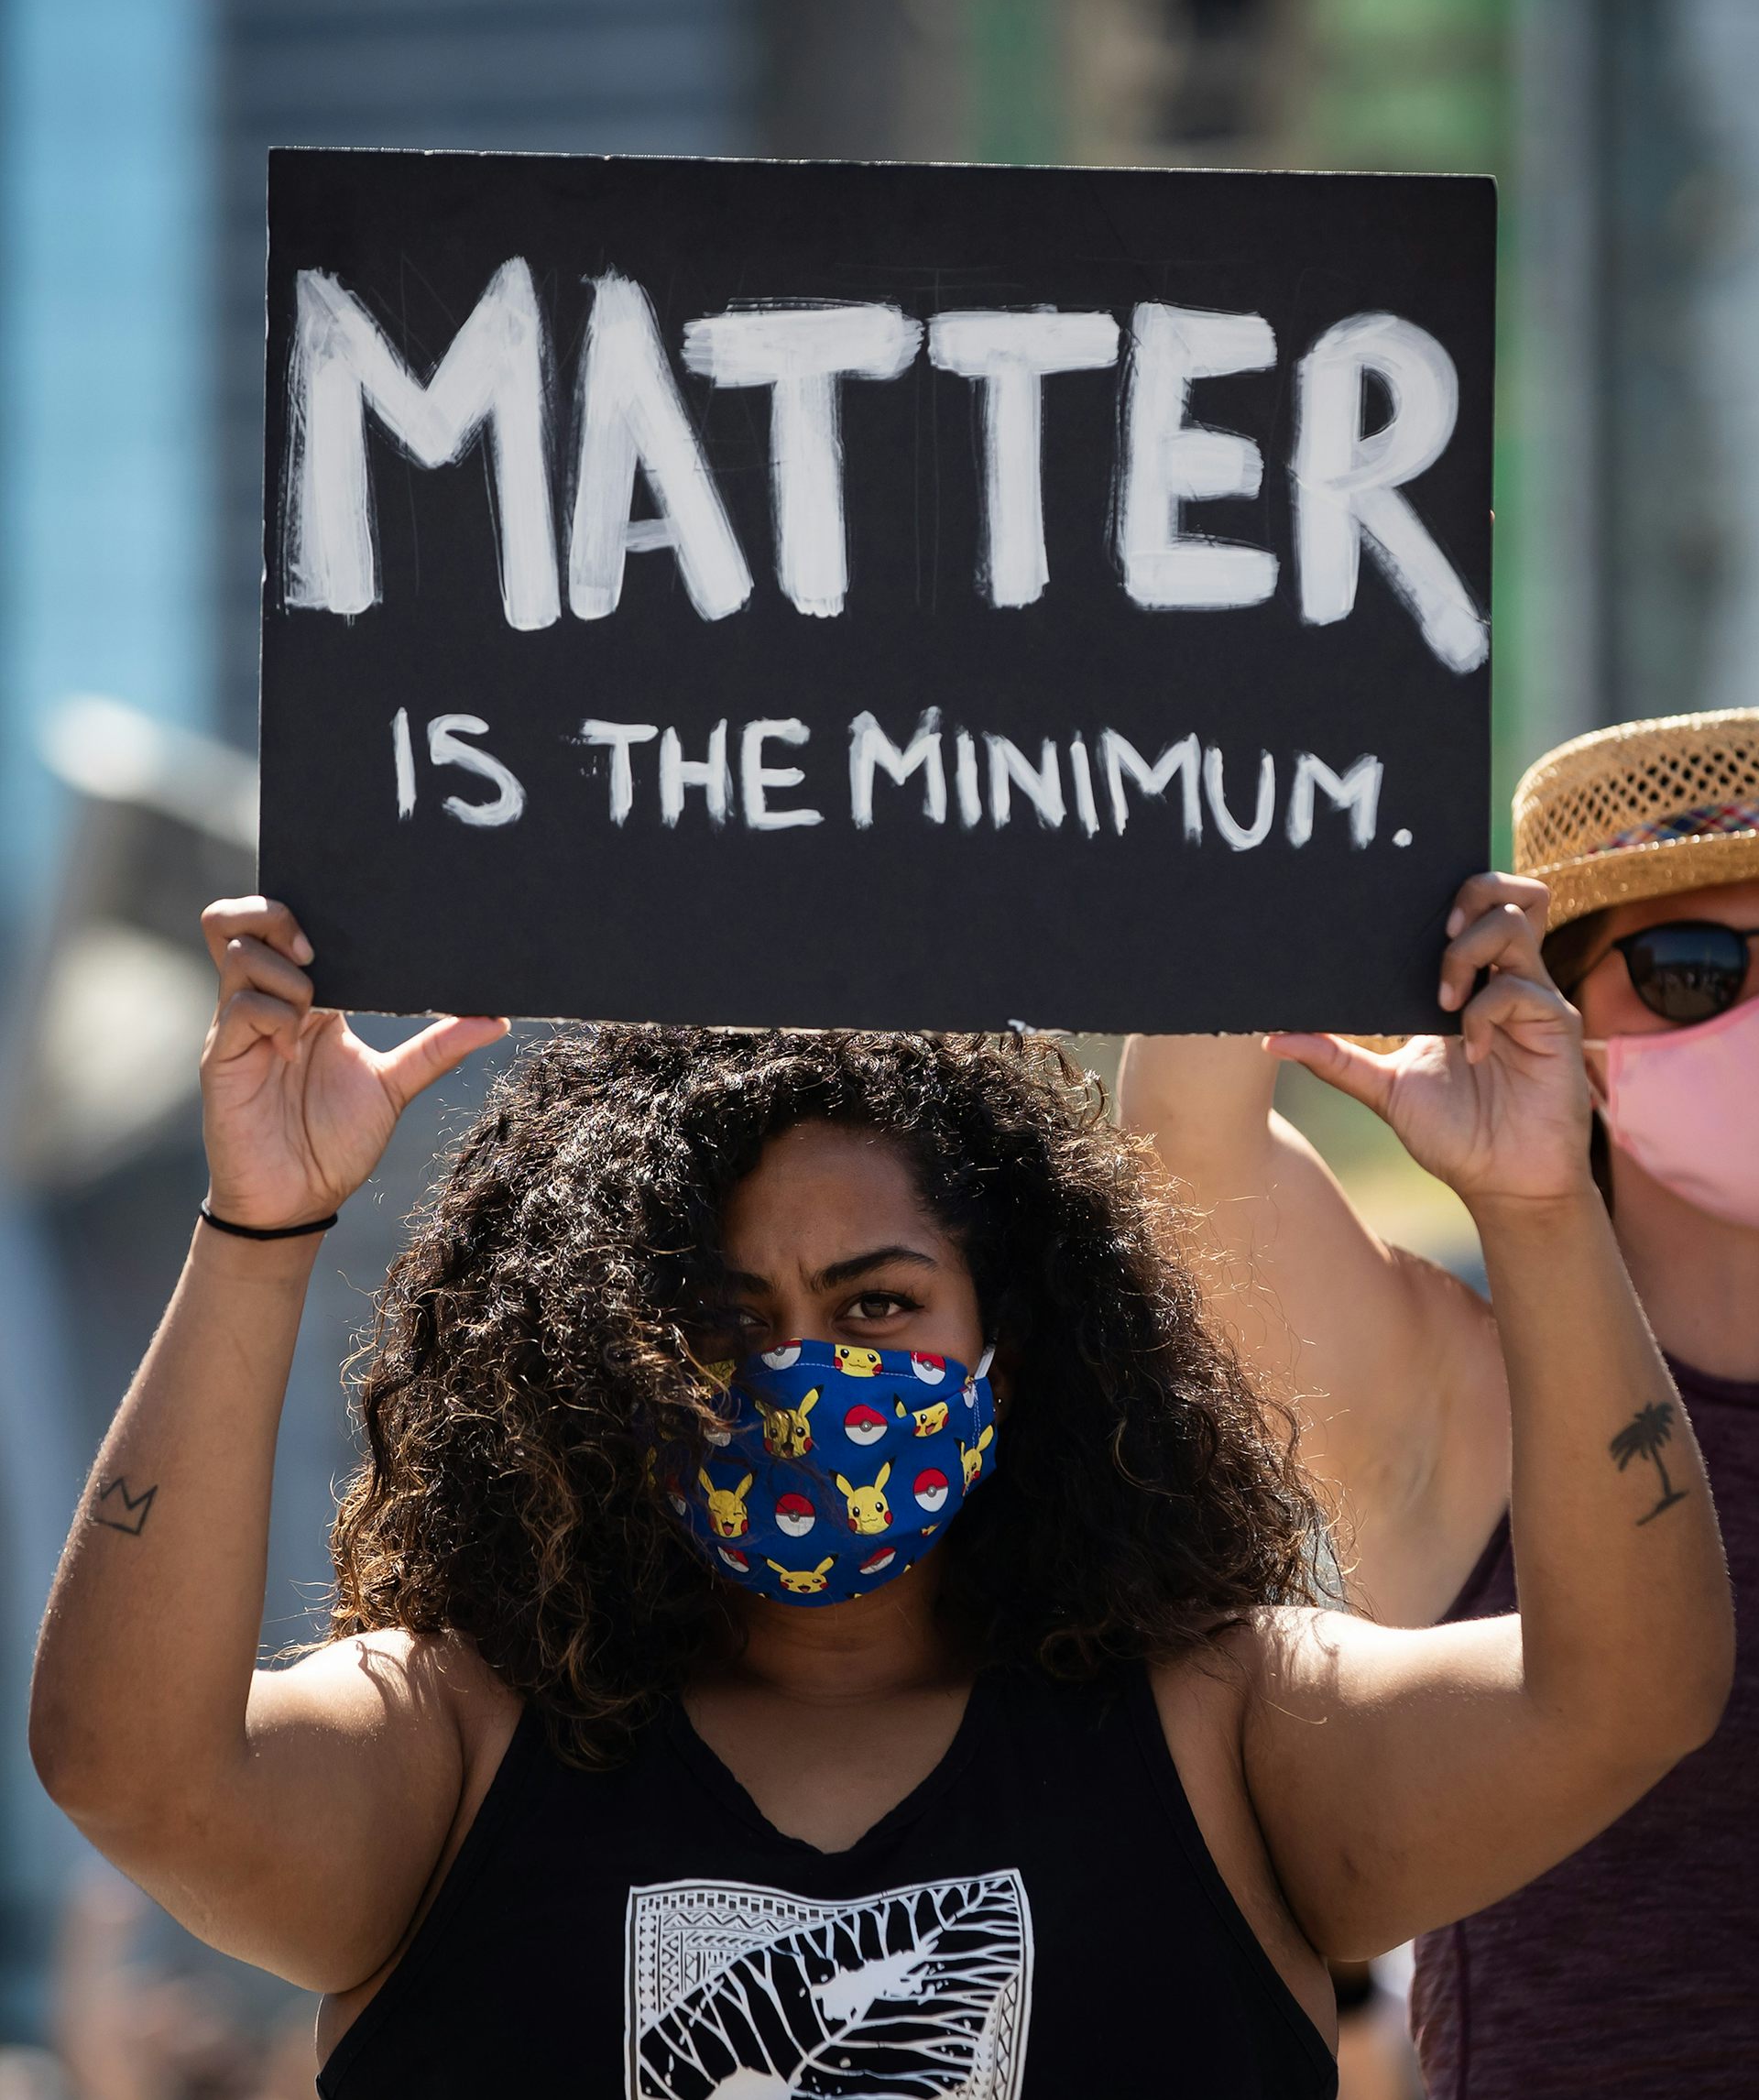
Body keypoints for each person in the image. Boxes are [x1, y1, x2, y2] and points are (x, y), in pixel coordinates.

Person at [28, 867, 1732, 2098]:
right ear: (596, 1356)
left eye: (879, 1306)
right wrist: (261, 1229)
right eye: (724, 1318)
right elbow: (128, 1763)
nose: (806, 1369)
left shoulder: (1228, 1729)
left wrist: (1537, 1207)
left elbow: (1625, 1693)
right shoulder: (455, 1742)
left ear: (1023, 1332)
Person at [1118, 705, 1759, 2095]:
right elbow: (1182, 1159)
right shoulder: (1462, 1396)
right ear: (1554, 1018)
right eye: (1700, 968)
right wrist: (1287, 798)